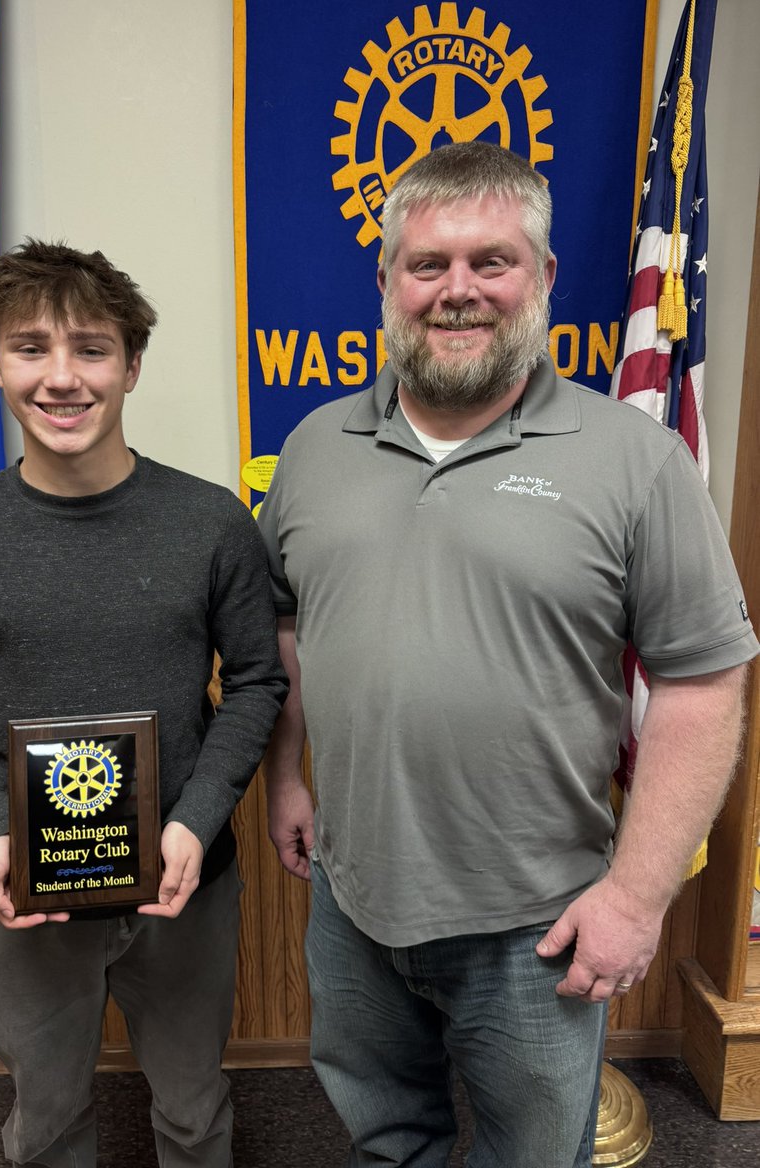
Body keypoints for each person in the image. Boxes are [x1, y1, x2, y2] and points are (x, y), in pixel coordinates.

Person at [257, 141, 758, 1168]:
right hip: (352, 905)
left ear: (543, 279)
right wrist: (283, 777)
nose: (458, 292)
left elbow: (705, 685)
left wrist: (636, 896)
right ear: (388, 281)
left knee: (534, 1158)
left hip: (539, 926)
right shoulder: (312, 447)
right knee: (388, 1140)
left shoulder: (634, 458)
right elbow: (288, 626)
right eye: (428, 264)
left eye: (492, 261)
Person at [0, 239, 287, 1168]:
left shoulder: (211, 521)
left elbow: (257, 682)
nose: (62, 378)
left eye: (91, 349)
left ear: (132, 365)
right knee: (48, 1119)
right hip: (24, 887)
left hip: (188, 880)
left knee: (193, 1111)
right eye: (31, 348)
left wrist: (196, 819)